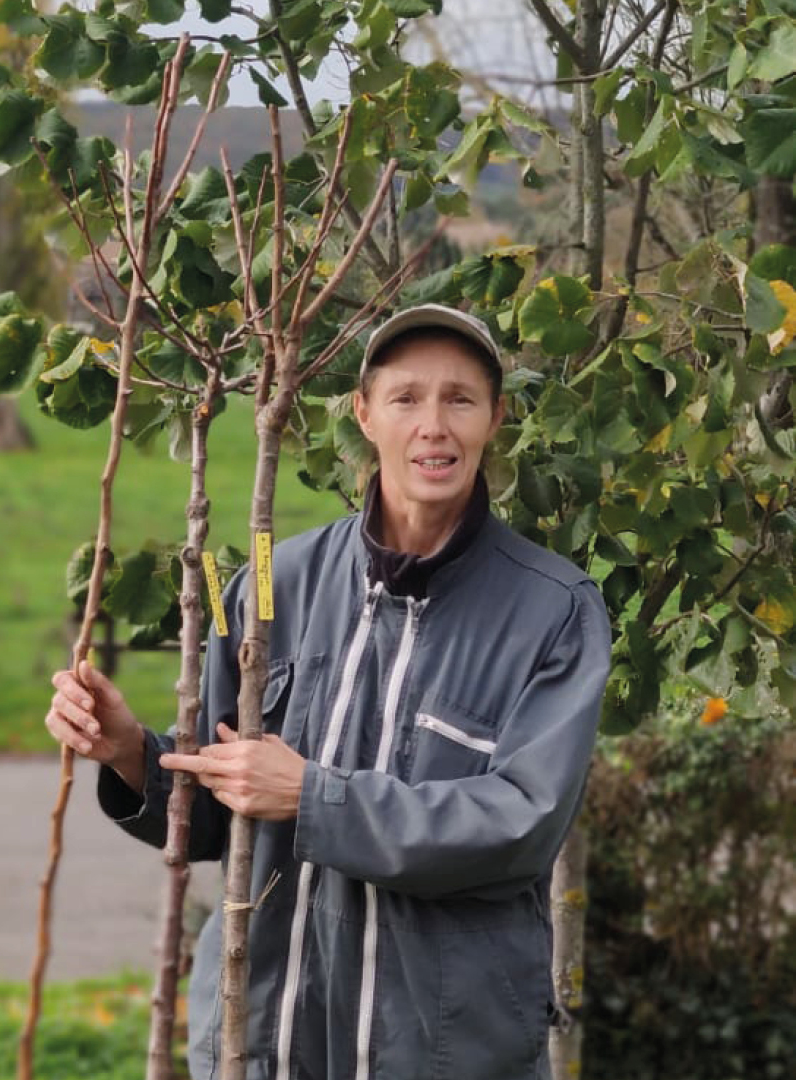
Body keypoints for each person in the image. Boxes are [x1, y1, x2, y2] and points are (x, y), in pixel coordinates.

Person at [45, 303, 612, 1080]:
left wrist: (316, 798)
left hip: (445, 1056)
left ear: (495, 418)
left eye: (460, 399)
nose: (433, 426)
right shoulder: (270, 586)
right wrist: (130, 755)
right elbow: (220, 812)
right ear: (365, 414)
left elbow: (520, 823)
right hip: (264, 1044)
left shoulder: (554, 608)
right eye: (407, 398)